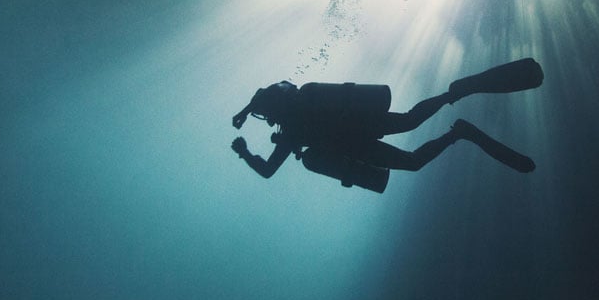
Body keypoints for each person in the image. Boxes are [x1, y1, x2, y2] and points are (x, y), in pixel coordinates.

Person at [230, 58, 543, 192]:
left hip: (357, 134)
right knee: (410, 124)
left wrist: (244, 152)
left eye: (263, 113)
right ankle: (454, 99)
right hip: (360, 129)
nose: (267, 117)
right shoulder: (293, 118)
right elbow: (267, 94)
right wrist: (245, 113)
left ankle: (458, 129)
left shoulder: (290, 131)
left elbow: (268, 170)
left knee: (412, 155)